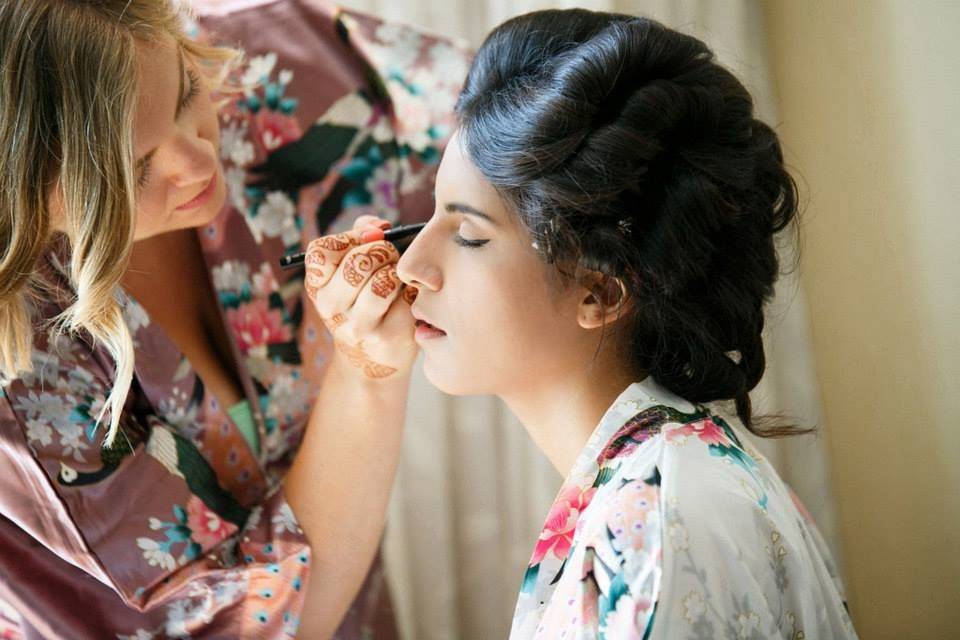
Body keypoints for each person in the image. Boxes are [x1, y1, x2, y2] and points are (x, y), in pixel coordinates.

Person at [0, 1, 467, 637]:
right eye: (131, 172)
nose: (197, 165)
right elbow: (256, 623)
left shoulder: (262, 64)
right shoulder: (18, 364)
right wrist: (368, 378)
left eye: (187, 96)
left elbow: (526, 126)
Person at [397, 9, 859, 639]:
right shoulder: (675, 476)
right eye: (430, 217)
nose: (414, 265)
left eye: (469, 234)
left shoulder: (649, 529)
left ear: (601, 290)